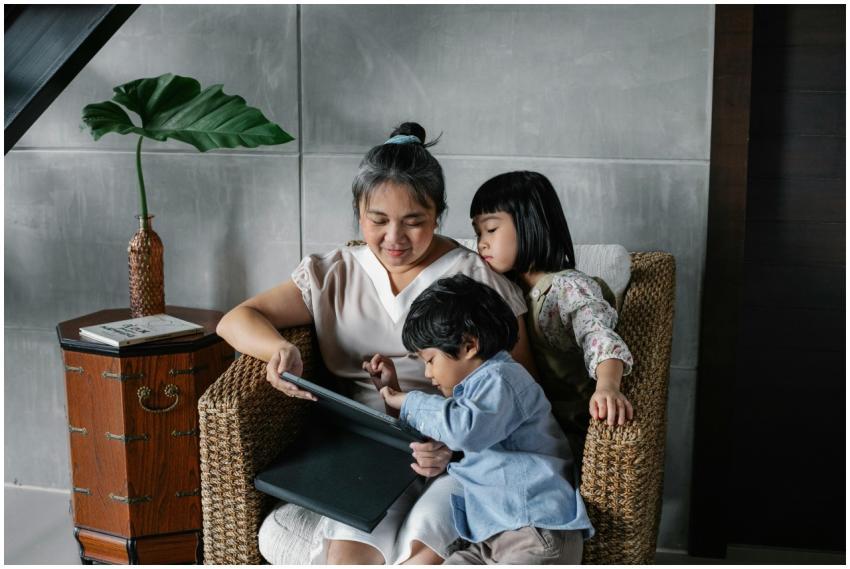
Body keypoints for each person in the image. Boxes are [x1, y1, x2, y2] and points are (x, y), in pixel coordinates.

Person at [215, 123, 535, 565]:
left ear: (438, 214)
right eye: (377, 221)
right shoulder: (333, 272)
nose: (395, 240)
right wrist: (277, 350)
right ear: (358, 212)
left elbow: (521, 389)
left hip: (458, 454)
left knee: (421, 553)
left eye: (414, 222)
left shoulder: (475, 279)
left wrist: (455, 447)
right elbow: (236, 320)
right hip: (364, 453)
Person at [376, 274, 594, 564]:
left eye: (430, 361)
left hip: (535, 529)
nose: (428, 374)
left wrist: (408, 400)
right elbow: (441, 430)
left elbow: (464, 429)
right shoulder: (470, 397)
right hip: (491, 537)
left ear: (468, 346)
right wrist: (391, 394)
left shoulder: (503, 378)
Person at [469, 170, 635, 460]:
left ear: (530, 224)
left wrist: (608, 385)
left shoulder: (567, 287)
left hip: (568, 429)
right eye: (478, 232)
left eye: (491, 229)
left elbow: (599, 336)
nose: (482, 242)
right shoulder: (510, 290)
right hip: (525, 420)